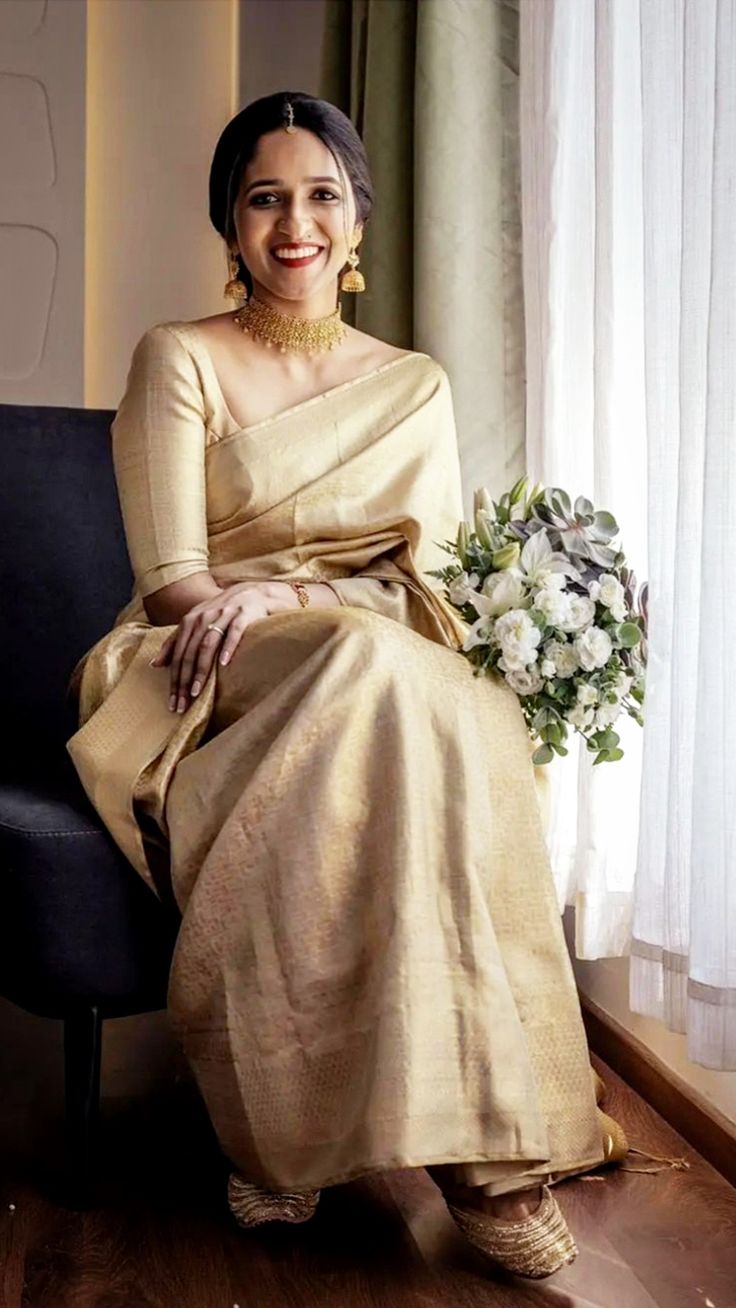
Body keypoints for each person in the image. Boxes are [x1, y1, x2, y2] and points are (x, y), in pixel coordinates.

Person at [67, 91, 611, 1280]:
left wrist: (302, 599)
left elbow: (428, 592)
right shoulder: (180, 356)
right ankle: (475, 1170)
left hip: (365, 647)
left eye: (320, 196)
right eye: (265, 198)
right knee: (376, 672)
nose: (294, 224)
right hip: (196, 660)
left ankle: (379, 1141)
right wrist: (256, 600)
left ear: (357, 220)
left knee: (446, 701)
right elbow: (172, 582)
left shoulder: (412, 384)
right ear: (231, 221)